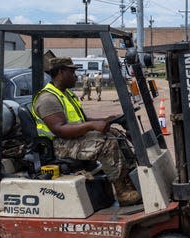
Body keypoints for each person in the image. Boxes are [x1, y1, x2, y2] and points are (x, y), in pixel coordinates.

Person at [31, 57, 140, 205]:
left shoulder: (65, 94)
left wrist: (104, 120)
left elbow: (81, 120)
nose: (76, 75)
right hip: (60, 145)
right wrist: (92, 126)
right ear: (61, 72)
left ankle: (132, 181)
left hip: (72, 139)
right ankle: (122, 192)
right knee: (106, 143)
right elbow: (60, 129)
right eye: (72, 71)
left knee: (115, 134)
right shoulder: (48, 99)